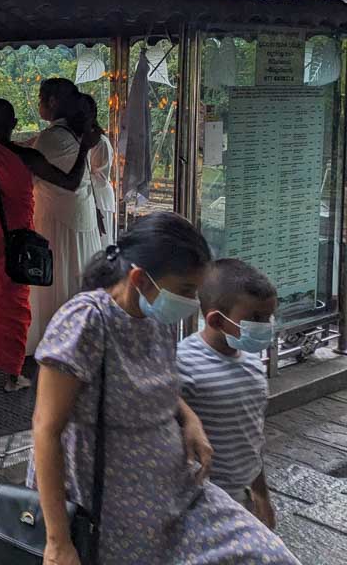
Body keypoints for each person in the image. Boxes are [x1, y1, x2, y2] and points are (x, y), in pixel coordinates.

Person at [29, 213, 298, 565]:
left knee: (267, 555)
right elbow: (46, 429)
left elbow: (160, 385)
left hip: (174, 491)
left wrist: (189, 420)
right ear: (140, 279)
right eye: (186, 290)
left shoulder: (155, 320)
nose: (191, 302)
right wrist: (58, 542)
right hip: (111, 506)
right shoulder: (86, 322)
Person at [0, 99, 95, 392]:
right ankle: (13, 377)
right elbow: (71, 182)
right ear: (13, 124)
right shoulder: (25, 157)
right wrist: (85, 149)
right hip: (14, 246)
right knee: (13, 308)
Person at [177, 259, 278, 528]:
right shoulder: (183, 363)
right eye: (256, 318)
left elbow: (253, 436)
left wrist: (261, 493)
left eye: (268, 317)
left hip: (240, 498)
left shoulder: (254, 362)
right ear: (215, 320)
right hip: (199, 503)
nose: (266, 325)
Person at [27, 78, 102, 353]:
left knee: (56, 276)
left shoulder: (54, 137)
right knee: (73, 275)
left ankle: (56, 339)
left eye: (40, 99)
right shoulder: (68, 134)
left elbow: (50, 172)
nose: (38, 105)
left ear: (53, 102)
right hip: (78, 216)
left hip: (57, 220)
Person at [78, 94, 116, 247]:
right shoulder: (81, 138)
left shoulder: (100, 142)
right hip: (89, 197)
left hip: (99, 199)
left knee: (101, 246)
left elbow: (99, 177)